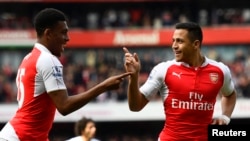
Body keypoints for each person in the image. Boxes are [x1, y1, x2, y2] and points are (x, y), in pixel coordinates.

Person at [0, 8, 131, 141]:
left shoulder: (28, 58)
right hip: (21, 136)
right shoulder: (48, 59)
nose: (67, 38)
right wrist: (103, 86)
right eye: (63, 33)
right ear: (48, 33)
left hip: (20, 134)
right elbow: (64, 106)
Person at [123, 22, 237, 140]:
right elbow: (135, 106)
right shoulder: (163, 69)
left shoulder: (220, 70)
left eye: (180, 41)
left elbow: (230, 95)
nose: (174, 46)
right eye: (173, 40)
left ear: (196, 44)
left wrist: (225, 117)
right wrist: (134, 76)